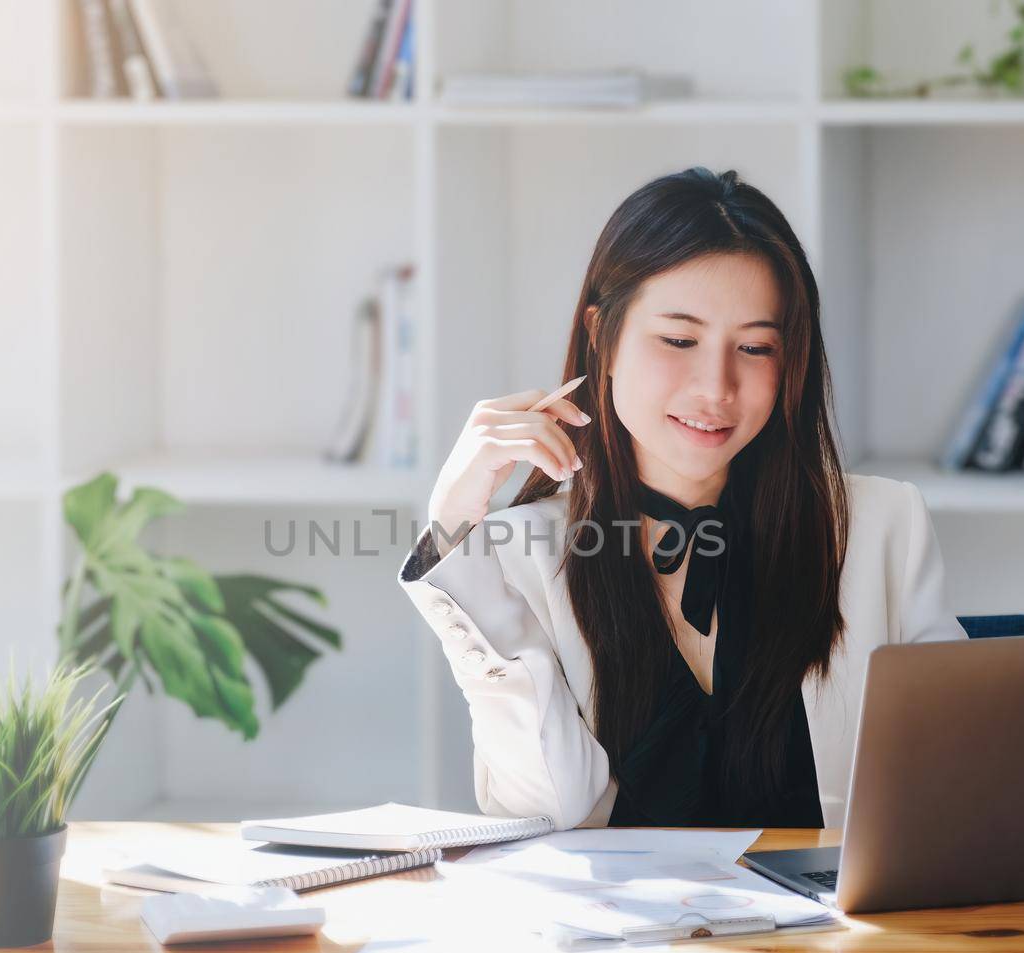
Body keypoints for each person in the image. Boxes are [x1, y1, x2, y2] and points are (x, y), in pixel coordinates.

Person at [398, 166, 966, 831]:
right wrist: (453, 529)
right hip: (622, 937)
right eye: (679, 340)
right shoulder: (518, 555)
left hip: (830, 936)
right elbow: (550, 816)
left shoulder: (878, 530)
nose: (717, 387)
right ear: (601, 338)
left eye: (755, 347)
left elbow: (959, 778)